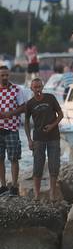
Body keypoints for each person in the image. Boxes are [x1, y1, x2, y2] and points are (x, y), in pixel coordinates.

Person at [21, 78, 63, 201]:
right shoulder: (29, 103)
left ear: (42, 87)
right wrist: (29, 139)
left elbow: (61, 115)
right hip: (38, 138)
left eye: (39, 87)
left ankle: (52, 193)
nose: (38, 89)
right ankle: (37, 194)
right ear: (31, 89)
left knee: (54, 165)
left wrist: (52, 125)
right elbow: (26, 123)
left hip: (54, 137)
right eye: (35, 87)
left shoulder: (50, 98)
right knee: (38, 165)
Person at [0, 65, 27, 197]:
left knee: (14, 158)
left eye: (6, 75)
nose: (5, 77)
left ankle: (14, 186)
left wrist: (10, 113)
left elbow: (23, 107)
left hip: (12, 128)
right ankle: (3, 186)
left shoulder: (17, 89)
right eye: (2, 75)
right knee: (0, 159)